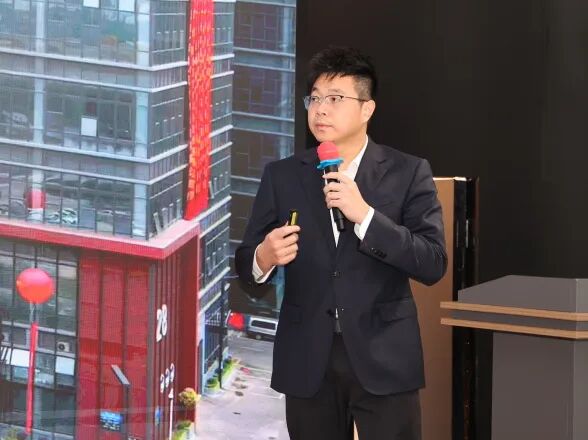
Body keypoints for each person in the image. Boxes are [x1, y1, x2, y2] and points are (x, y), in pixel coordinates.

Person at [235, 46, 447, 440]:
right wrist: (264, 257)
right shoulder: (283, 175)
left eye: (335, 99)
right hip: (307, 359)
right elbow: (246, 262)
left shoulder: (408, 172)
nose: (320, 110)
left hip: (383, 356)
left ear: (367, 109)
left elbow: (433, 263)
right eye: (314, 99)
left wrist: (365, 216)